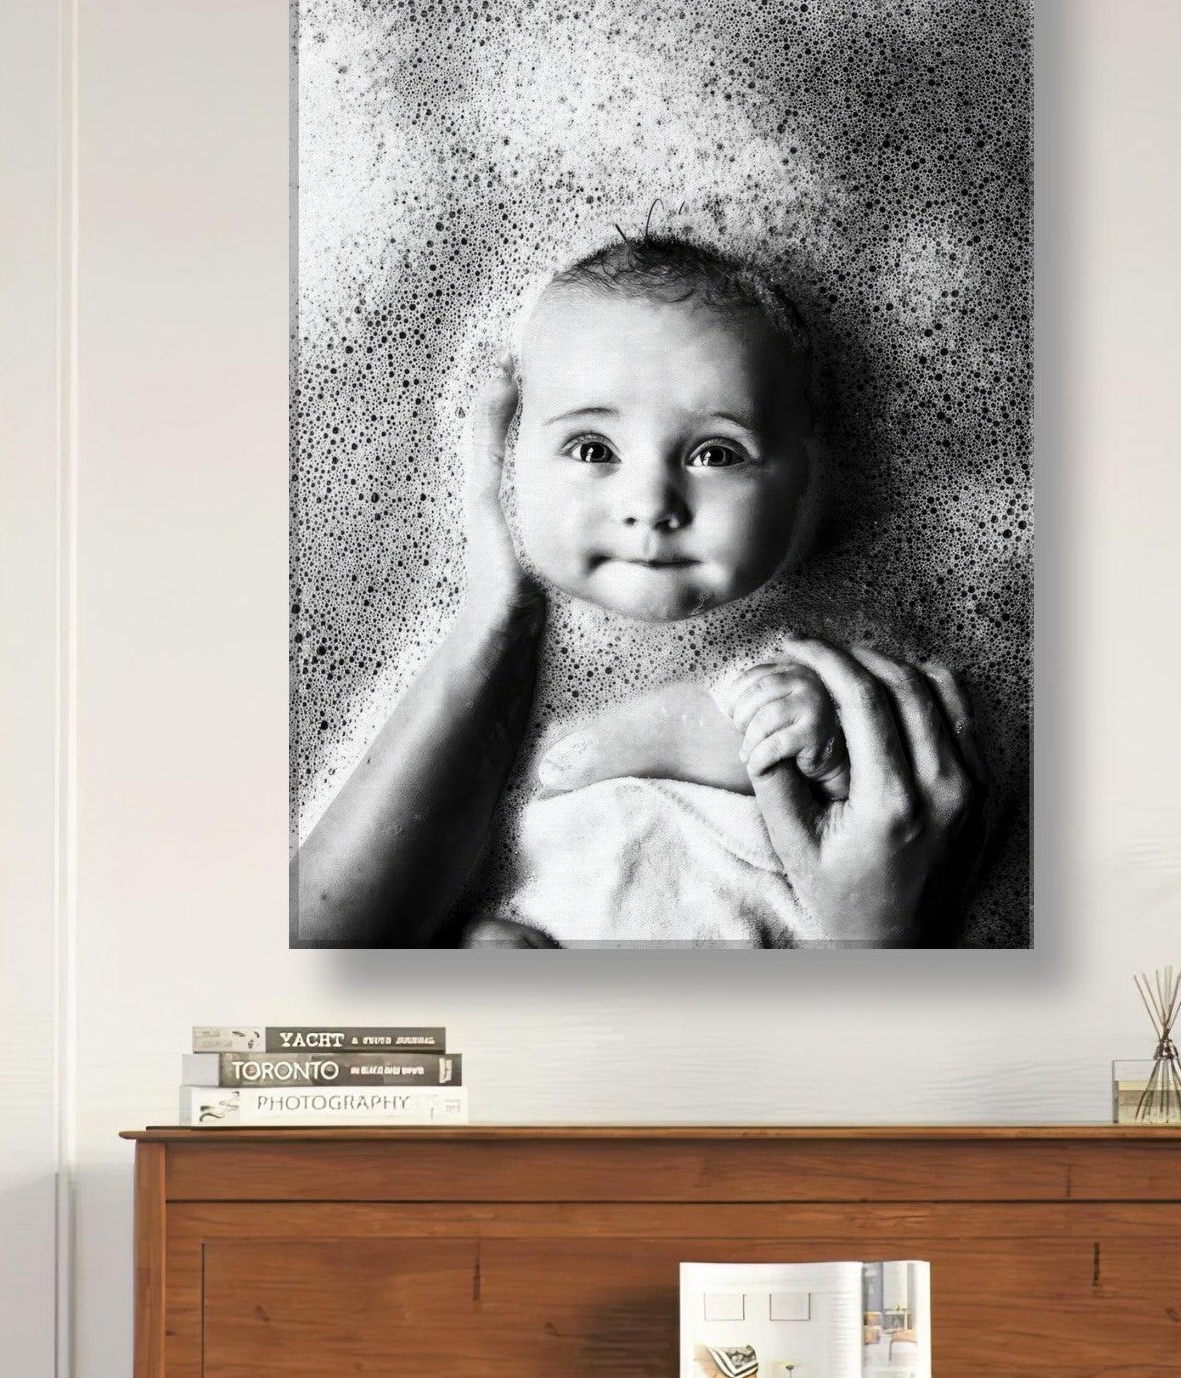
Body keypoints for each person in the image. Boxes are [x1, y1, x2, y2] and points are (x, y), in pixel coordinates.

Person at [289, 233, 989, 947]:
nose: (651, 502)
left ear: (811, 477)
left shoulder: (831, 665)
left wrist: (824, 749)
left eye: (716, 453)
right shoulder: (489, 695)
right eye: (593, 450)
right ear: (510, 462)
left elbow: (872, 812)